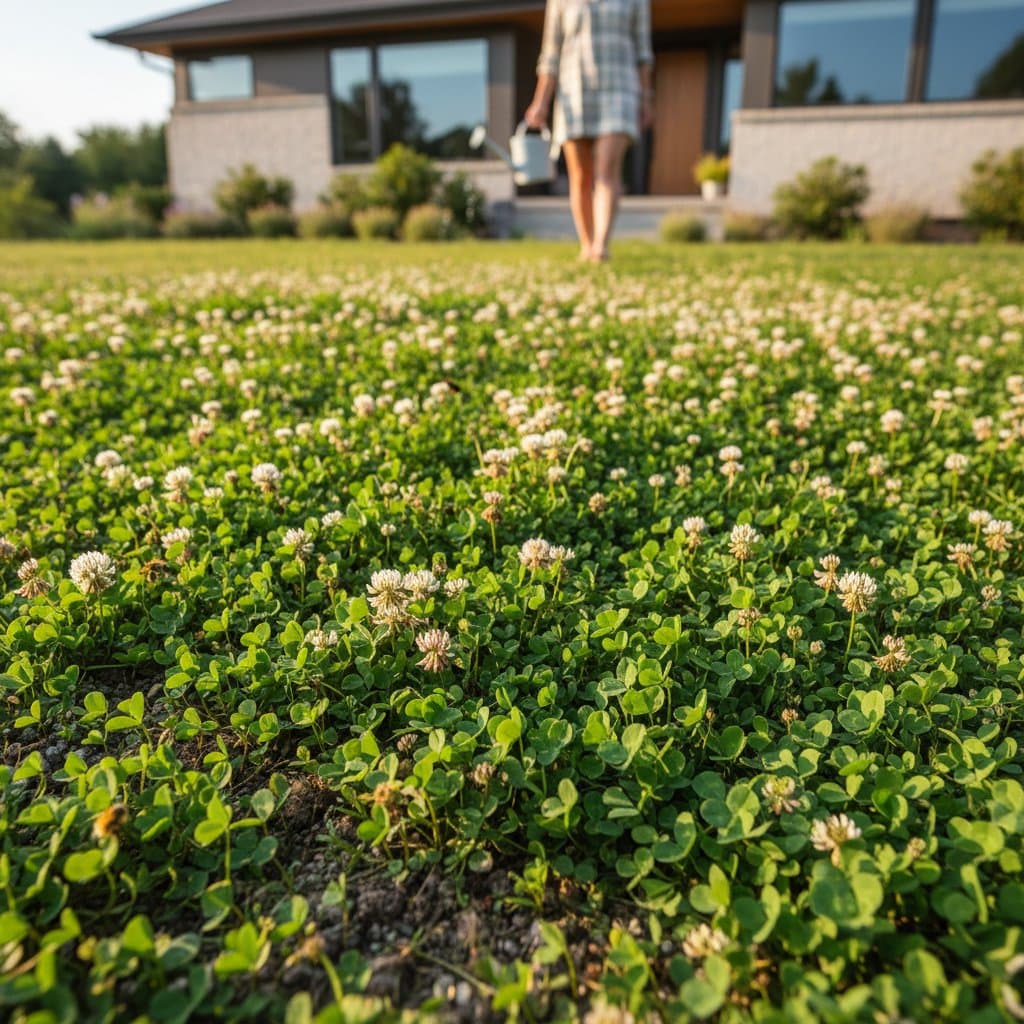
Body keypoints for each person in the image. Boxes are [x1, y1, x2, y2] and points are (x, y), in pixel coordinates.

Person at [525, 0, 654, 263]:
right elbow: (550, 54)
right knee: (581, 176)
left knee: (606, 170)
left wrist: (646, 97)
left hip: (619, 88)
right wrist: (541, 102)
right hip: (574, 90)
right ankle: (586, 244)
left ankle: (600, 245)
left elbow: (643, 52)